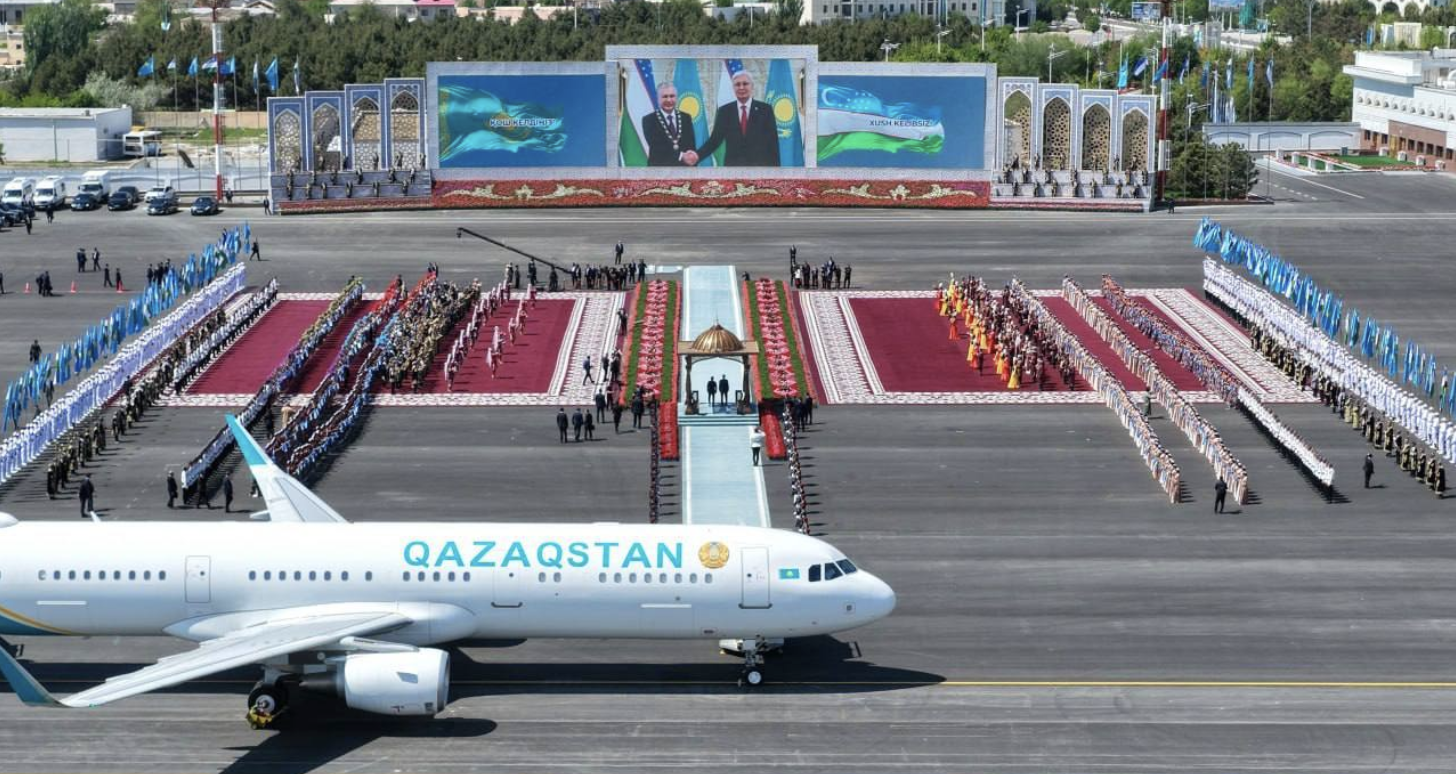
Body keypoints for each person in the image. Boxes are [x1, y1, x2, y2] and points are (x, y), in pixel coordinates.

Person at [691, 69, 781, 167]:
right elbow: (714, 140)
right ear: (733, 88)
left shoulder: (765, 110)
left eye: (745, 84)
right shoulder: (725, 111)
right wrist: (697, 155)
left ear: (752, 86)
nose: (741, 87)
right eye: (737, 84)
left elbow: (772, 143)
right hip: (733, 168)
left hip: (759, 169)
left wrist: (775, 171)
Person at [642, 82, 699, 167]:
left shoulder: (686, 118)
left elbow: (691, 145)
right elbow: (656, 147)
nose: (669, 100)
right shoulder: (649, 120)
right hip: (659, 169)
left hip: (684, 169)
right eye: (665, 96)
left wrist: (691, 156)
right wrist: (681, 156)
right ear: (658, 99)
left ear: (676, 98)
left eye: (672, 96)